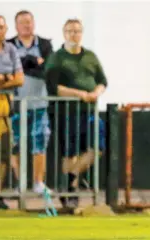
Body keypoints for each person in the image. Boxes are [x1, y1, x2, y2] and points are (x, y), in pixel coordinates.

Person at [45, 19, 107, 209]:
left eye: (78, 31)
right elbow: (53, 86)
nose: (74, 35)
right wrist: (79, 94)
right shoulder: (57, 57)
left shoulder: (90, 56)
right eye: (70, 31)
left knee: (98, 145)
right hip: (65, 112)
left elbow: (102, 81)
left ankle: (70, 178)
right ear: (64, 33)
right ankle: (69, 192)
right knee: (69, 152)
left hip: (89, 111)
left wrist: (95, 93)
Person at [7, 10, 53, 195]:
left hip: (39, 103)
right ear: (16, 26)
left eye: (29, 22)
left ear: (34, 24)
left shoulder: (44, 44)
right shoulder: (8, 45)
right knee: (14, 144)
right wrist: (32, 62)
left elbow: (49, 70)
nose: (26, 25)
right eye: (22, 22)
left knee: (39, 142)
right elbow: (7, 68)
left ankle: (38, 182)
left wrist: (25, 65)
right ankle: (21, 183)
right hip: (15, 104)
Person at [0, 14, 24, 209]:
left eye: (1, 27)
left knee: (2, 153)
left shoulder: (11, 50)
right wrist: (5, 77)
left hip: (5, 108)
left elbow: (20, 79)